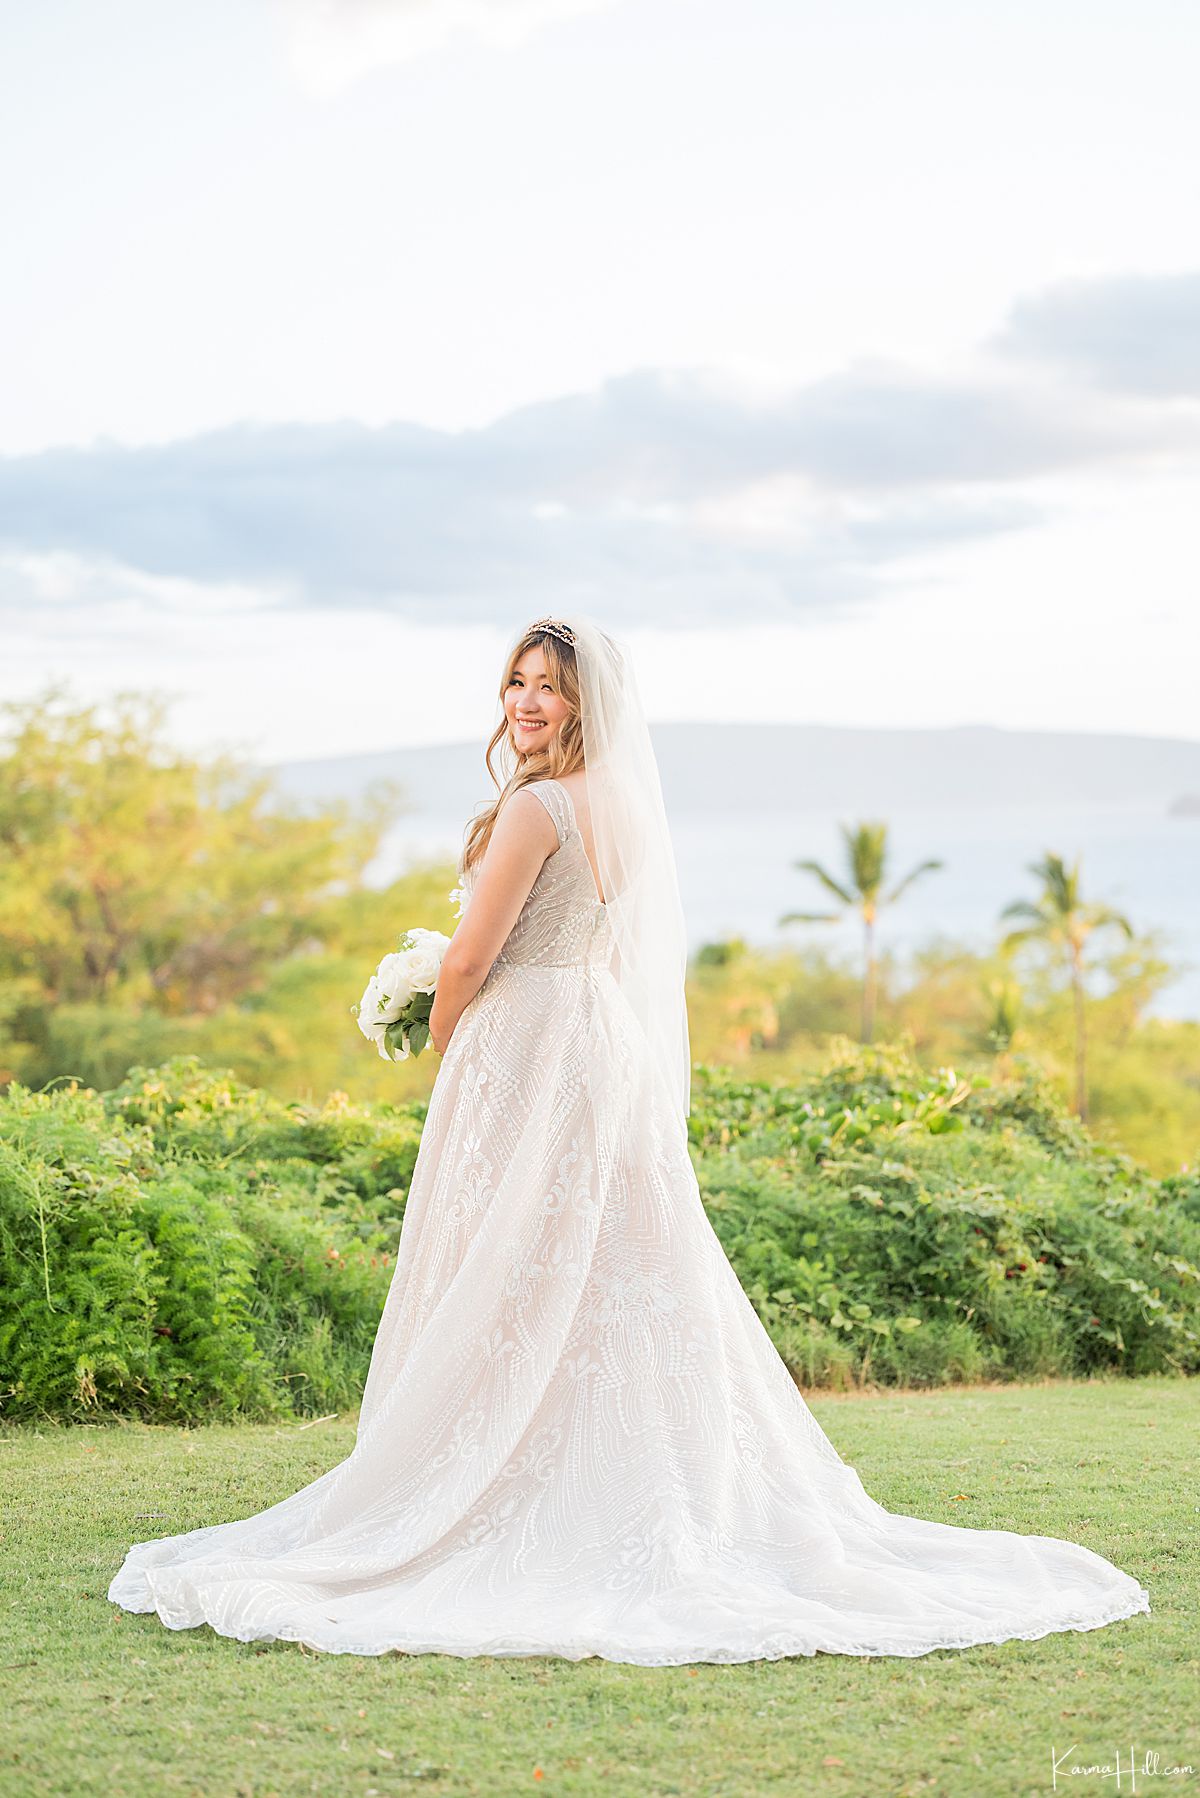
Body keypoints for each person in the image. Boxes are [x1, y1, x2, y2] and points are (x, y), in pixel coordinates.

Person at [107, 613, 1151, 1663]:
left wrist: (436, 1020)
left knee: (512, 1261)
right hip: (600, 1045)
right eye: (515, 682)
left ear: (583, 702)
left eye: (546, 687)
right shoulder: (628, 806)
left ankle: (508, 1479)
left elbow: (474, 958)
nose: (524, 702)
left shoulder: (538, 808)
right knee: (607, 1265)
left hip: (528, 1049)